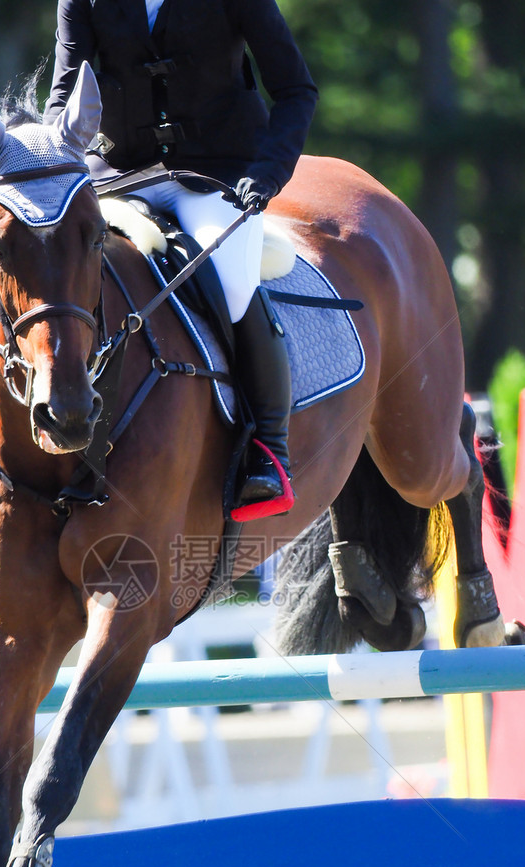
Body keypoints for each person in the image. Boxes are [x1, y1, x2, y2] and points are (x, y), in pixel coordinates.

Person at [42, 0, 318, 519]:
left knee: (232, 285)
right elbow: (63, 93)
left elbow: (296, 91)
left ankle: (267, 452)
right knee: (46, 268)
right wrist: (54, 160)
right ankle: (8, 442)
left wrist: (267, 173)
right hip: (117, 176)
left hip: (217, 174)